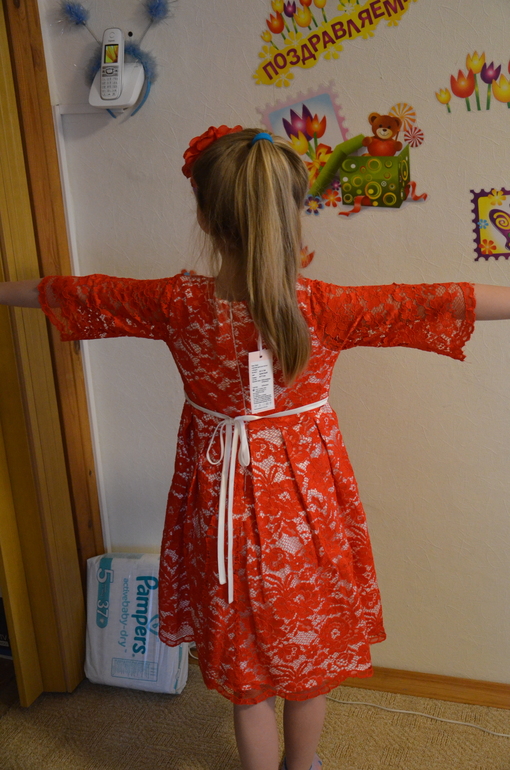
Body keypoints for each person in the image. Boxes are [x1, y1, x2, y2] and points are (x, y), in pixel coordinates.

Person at [1, 126, 510, 770]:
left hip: (220, 510)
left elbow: (71, 294)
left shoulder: (175, 303)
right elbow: (438, 301)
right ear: (290, 214)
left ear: (205, 217)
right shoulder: (325, 307)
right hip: (307, 511)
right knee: (307, 670)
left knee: (250, 683)